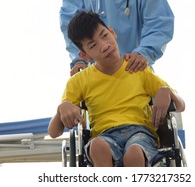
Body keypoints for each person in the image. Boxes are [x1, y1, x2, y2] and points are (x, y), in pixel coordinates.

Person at [48, 11, 185, 167]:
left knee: (133, 154)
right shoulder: (79, 81)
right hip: (104, 136)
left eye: (104, 35)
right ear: (85, 56)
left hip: (141, 133)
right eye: (93, 45)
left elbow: (181, 106)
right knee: (98, 146)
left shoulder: (137, 68)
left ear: (112, 32)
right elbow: (54, 132)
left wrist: (166, 91)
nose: (104, 46)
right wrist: (61, 109)